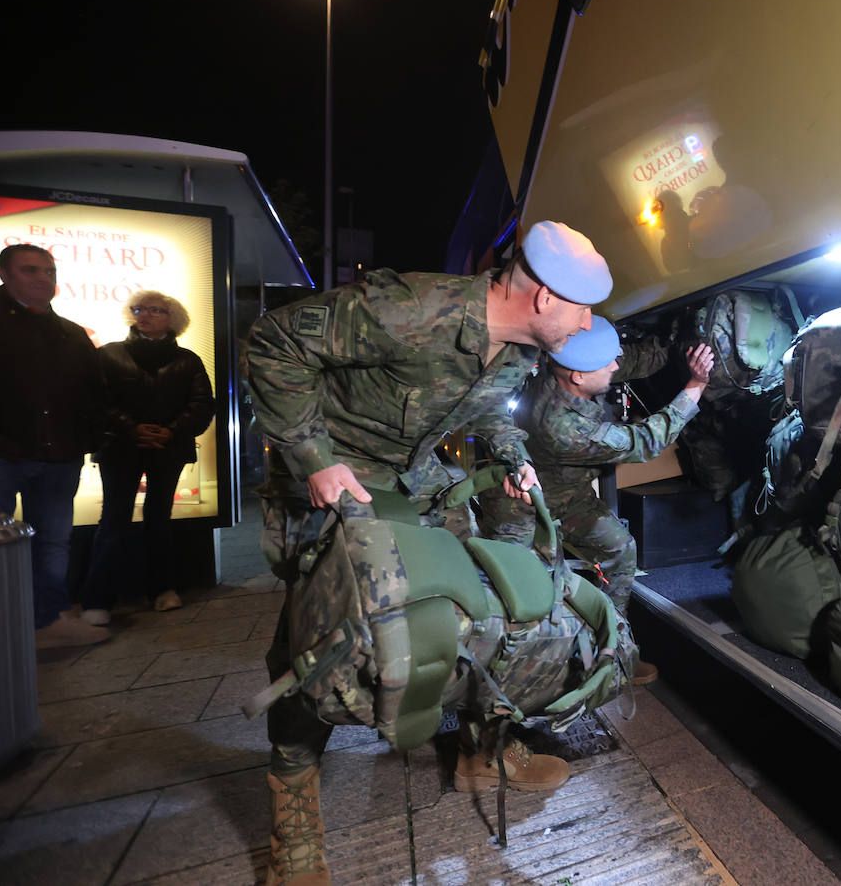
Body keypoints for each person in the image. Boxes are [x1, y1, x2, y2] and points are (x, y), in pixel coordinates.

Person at [246, 221, 611, 886]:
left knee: (479, 606)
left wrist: (511, 456)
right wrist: (313, 457)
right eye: (582, 308)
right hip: (335, 484)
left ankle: (481, 747)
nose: (588, 325)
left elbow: (489, 407)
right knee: (318, 643)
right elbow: (273, 342)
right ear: (543, 299)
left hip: (416, 480)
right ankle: (294, 810)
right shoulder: (412, 309)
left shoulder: (513, 347)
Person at [481, 316, 714, 684]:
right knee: (530, 596)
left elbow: (630, 361)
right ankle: (537, 680)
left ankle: (614, 649)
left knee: (620, 551)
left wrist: (678, 347)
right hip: (523, 506)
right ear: (578, 376)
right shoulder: (564, 425)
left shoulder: (562, 369)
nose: (615, 366)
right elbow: (645, 442)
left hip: (568, 494)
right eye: (607, 363)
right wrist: (696, 384)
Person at [78, 291, 214, 624]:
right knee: (113, 520)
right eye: (141, 309)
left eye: (157, 310)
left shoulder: (187, 360)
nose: (147, 315)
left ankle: (163, 590)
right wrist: (132, 428)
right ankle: (97, 600)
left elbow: (201, 405)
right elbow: (96, 401)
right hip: (119, 448)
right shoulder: (109, 354)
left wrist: (170, 431)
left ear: (173, 318)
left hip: (169, 449)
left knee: (159, 519)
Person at [0, 244, 109, 649]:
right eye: (31, 270)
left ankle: (48, 620)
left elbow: (94, 394)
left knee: (53, 541)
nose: (43, 277)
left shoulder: (71, 333)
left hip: (59, 455)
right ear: (5, 275)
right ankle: (10, 625)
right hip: (5, 453)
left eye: (49, 270)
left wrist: (91, 439)